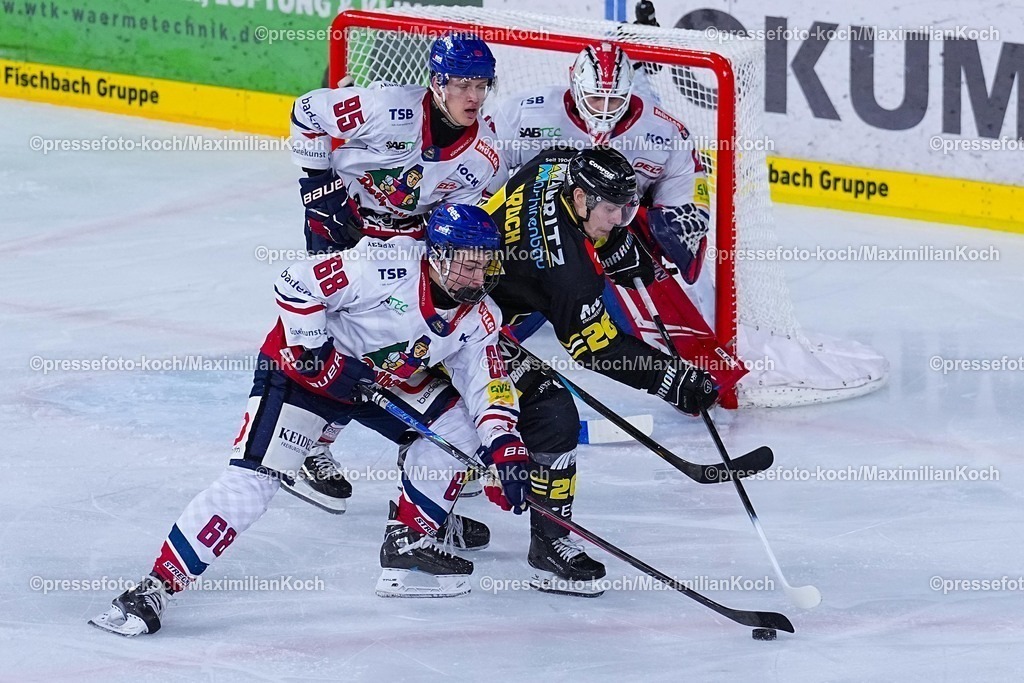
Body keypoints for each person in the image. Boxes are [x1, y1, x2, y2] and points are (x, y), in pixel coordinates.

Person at [89, 205, 529, 636]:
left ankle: (409, 542)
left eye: (484, 267)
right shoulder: (384, 263)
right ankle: (156, 587)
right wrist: (317, 354)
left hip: (377, 383)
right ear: (437, 254)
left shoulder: (480, 316)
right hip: (300, 376)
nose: (477, 279)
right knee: (251, 485)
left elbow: (486, 386)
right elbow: (295, 282)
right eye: (468, 266)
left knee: (461, 427)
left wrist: (506, 446)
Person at [299, 147, 720, 597]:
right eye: (610, 211)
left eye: (626, 209)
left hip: (445, 284)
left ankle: (424, 501)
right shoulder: (570, 274)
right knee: (548, 411)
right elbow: (595, 346)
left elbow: (547, 183)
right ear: (580, 198)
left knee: (469, 407)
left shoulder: (556, 165)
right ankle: (547, 544)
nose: (619, 219)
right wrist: (670, 378)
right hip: (453, 319)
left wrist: (610, 242)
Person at [284, 32, 504, 508]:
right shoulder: (388, 107)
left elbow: (454, 229)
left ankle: (416, 448)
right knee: (336, 332)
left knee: (387, 338)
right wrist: (319, 185)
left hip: (405, 244)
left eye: (482, 85)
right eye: (462, 83)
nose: (473, 96)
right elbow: (306, 112)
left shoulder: (484, 157)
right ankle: (306, 443)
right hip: (340, 220)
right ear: (437, 82)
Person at [487, 42, 717, 343]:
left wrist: (679, 226)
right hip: (540, 233)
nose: (605, 111)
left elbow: (687, 192)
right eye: (596, 99)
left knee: (684, 258)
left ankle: (702, 334)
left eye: (615, 100)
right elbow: (484, 166)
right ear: (575, 82)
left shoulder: (664, 131)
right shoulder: (526, 111)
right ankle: (489, 324)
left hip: (616, 237)